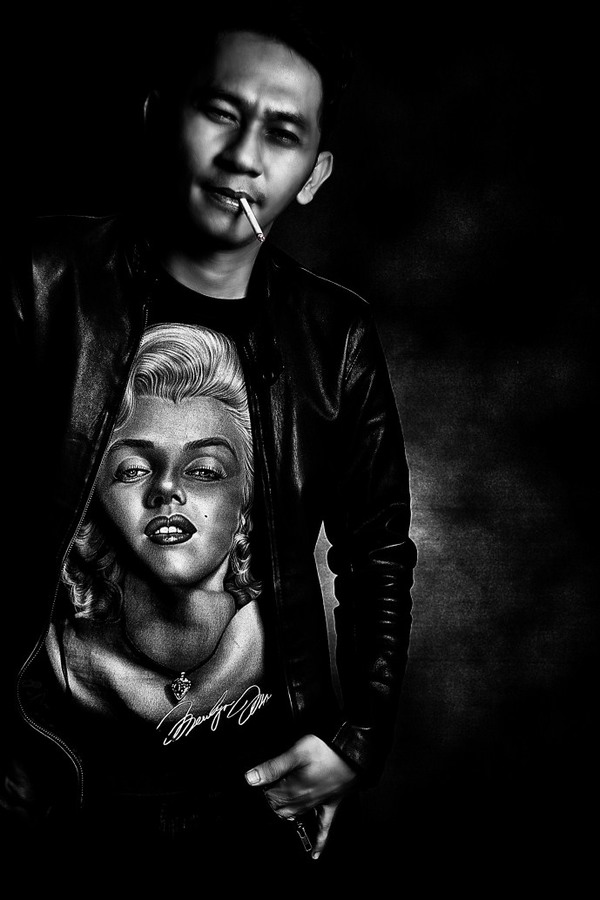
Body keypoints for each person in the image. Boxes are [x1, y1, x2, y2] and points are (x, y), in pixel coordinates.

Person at [3, 4, 417, 881]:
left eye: (283, 132)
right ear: (161, 118)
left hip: (254, 809)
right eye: (222, 112)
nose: (244, 156)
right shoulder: (44, 282)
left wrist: (357, 739)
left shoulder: (332, 336)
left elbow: (376, 549)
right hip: (46, 795)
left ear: (314, 173)